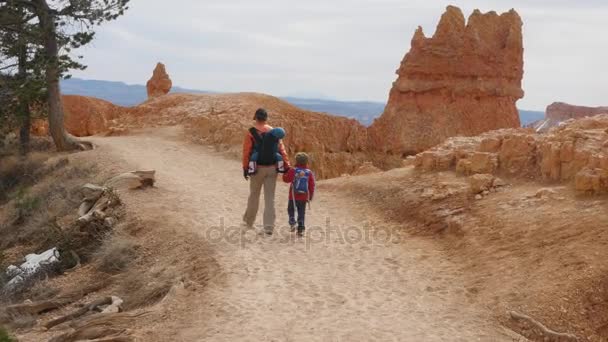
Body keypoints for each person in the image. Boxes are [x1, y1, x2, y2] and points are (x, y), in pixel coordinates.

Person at [242, 108, 290, 235]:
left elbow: (246, 152)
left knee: (254, 196)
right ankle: (269, 227)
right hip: (272, 169)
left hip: (257, 168)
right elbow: (281, 150)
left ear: (255, 118)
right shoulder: (273, 132)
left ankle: (248, 222)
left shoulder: (251, 132)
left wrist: (245, 168)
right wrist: (287, 165)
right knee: (270, 198)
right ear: (266, 118)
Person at [282, 152, 315, 237]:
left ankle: (292, 222)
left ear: (296, 161)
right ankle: (300, 229)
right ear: (306, 162)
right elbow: (311, 185)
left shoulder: (293, 170)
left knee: (291, 210)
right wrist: (310, 196)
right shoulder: (309, 172)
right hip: (303, 197)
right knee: (301, 213)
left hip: (292, 196)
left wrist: (285, 173)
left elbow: (286, 179)